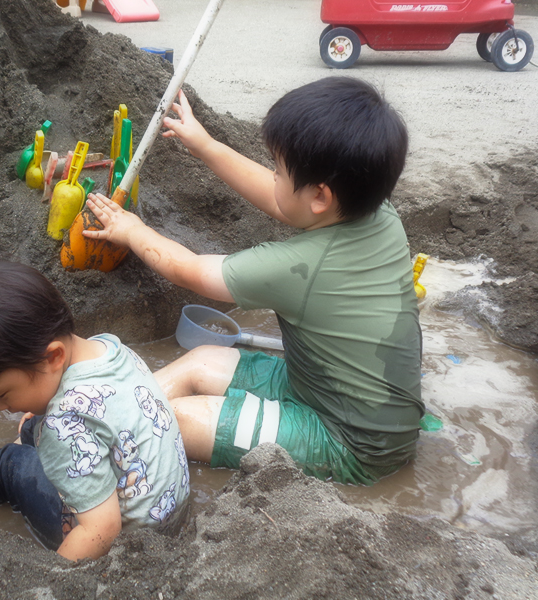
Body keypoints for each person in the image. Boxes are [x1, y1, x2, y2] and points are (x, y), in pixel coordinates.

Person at [83, 77, 423, 485]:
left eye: (278, 169)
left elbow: (189, 270)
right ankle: (99, 413)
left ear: (320, 196)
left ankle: (83, 442)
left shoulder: (297, 268)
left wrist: (131, 229)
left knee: (174, 418)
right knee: (200, 361)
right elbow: (284, 199)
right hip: (325, 393)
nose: (272, 176)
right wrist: (206, 146)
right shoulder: (378, 213)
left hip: (349, 443)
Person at [0, 260, 190, 560]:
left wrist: (54, 576)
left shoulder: (61, 423)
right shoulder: (109, 347)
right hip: (167, 512)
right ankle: (29, 441)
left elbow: (102, 530)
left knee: (9, 464)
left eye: (1, 394)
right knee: (35, 426)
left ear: (53, 357)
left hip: (129, 543)